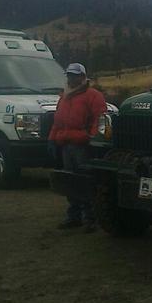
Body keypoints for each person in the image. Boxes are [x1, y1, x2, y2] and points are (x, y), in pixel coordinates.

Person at [50, 62, 107, 233]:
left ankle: (90, 217)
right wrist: (52, 139)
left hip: (83, 145)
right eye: (69, 75)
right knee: (70, 181)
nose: (72, 78)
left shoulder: (93, 95)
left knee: (86, 181)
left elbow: (100, 118)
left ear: (83, 77)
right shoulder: (64, 96)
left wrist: (92, 138)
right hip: (66, 144)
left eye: (75, 75)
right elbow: (57, 121)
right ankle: (73, 216)